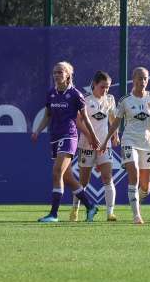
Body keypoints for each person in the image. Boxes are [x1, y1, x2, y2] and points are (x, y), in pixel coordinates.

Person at [101, 67, 150, 224]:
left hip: (147, 144)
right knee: (133, 173)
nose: (143, 81)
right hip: (129, 141)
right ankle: (136, 215)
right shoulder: (125, 100)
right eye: (140, 78)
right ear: (133, 80)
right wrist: (108, 138)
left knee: (146, 187)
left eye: (145, 78)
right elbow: (115, 123)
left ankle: (136, 202)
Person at [31, 61, 100, 223]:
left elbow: (85, 119)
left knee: (57, 172)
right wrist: (37, 131)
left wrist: (93, 136)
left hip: (69, 136)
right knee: (68, 178)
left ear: (68, 74)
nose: (56, 75)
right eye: (55, 72)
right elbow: (47, 116)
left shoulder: (76, 94)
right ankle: (90, 206)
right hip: (54, 137)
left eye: (60, 72)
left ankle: (53, 214)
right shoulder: (51, 93)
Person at [70, 71, 119, 222]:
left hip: (105, 144)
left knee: (107, 177)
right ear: (94, 84)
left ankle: (110, 213)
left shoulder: (110, 99)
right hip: (87, 144)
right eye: (102, 87)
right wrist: (90, 136)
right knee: (83, 181)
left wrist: (116, 135)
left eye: (108, 87)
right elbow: (78, 122)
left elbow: (112, 118)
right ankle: (75, 209)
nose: (105, 90)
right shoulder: (85, 99)